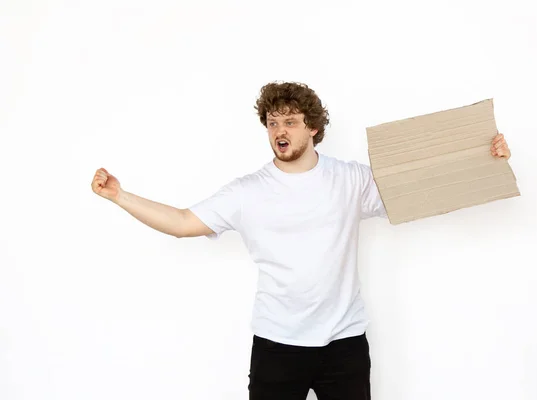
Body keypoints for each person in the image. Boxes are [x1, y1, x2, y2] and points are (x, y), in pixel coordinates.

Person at [91, 82, 512, 399]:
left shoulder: (350, 179)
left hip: (344, 344)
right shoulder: (247, 192)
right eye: (273, 122)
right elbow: (183, 221)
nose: (280, 130)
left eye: (289, 121)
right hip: (277, 345)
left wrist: (484, 157)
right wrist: (118, 196)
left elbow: (420, 187)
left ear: (312, 127)